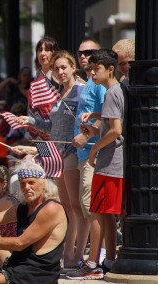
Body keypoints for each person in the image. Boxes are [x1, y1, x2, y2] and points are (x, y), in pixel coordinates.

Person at [16, 50, 84, 268]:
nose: (60, 71)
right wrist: (31, 120)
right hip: (56, 155)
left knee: (75, 206)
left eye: (64, 67)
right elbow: (52, 127)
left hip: (72, 154)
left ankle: (77, 255)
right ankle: (67, 252)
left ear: (74, 68)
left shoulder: (81, 92)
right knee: (65, 207)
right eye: (57, 69)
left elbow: (90, 122)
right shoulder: (59, 95)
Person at [67, 49, 126, 280]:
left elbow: (116, 131)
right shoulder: (116, 90)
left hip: (110, 162)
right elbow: (111, 128)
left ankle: (93, 263)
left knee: (98, 211)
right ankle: (109, 260)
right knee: (106, 214)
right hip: (112, 161)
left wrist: (93, 147)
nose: (91, 73)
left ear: (110, 69)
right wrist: (94, 128)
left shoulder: (112, 92)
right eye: (89, 69)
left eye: (96, 68)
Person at [0, 161, 67, 284]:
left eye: (31, 183)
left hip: (36, 274)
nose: (27, 188)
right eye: (23, 184)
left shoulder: (51, 208)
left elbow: (20, 243)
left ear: (43, 184)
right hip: (19, 263)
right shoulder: (24, 206)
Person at [71, 38, 107, 266]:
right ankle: (96, 257)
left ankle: (98, 259)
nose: (84, 56)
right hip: (84, 155)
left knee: (93, 207)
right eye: (80, 53)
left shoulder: (99, 83)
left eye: (90, 52)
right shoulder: (89, 81)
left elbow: (111, 117)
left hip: (95, 154)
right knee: (88, 207)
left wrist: (88, 135)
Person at [26, 36, 60, 142]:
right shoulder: (38, 73)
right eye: (40, 50)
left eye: (47, 50)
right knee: (42, 158)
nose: (42, 53)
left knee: (53, 158)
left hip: (52, 130)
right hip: (36, 131)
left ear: (54, 53)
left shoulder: (58, 74)